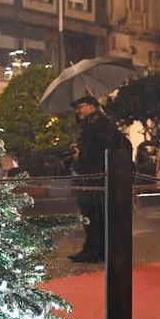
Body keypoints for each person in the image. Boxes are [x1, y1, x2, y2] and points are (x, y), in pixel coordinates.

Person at [68, 95, 126, 263]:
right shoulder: (92, 123)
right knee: (94, 214)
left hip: (96, 176)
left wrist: (81, 154)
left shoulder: (101, 124)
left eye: (81, 106)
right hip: (92, 175)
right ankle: (96, 249)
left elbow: (102, 150)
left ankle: (95, 250)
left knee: (94, 214)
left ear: (92, 106)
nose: (78, 110)